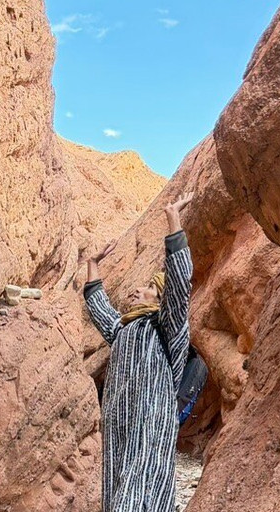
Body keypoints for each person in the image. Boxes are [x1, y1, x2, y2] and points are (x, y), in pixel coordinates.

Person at [82, 193, 195, 512]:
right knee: (118, 489)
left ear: (159, 298)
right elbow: (98, 306)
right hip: (119, 426)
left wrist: (173, 219)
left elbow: (178, 285)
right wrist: (92, 265)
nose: (136, 290)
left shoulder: (167, 326)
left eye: (147, 288)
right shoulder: (121, 330)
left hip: (150, 424)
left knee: (138, 494)